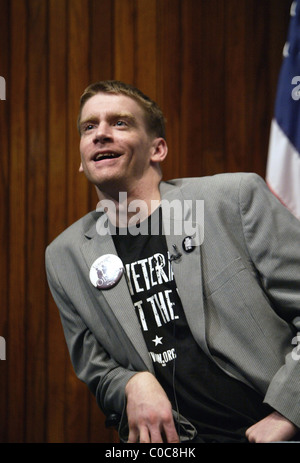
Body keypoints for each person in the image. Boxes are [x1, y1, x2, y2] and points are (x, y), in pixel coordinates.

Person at [46, 80, 300, 443]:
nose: (100, 134)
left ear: (157, 149)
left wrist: (288, 412)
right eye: (89, 127)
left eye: (119, 123)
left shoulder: (232, 200)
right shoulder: (64, 256)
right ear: (81, 158)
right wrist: (132, 382)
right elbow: (95, 367)